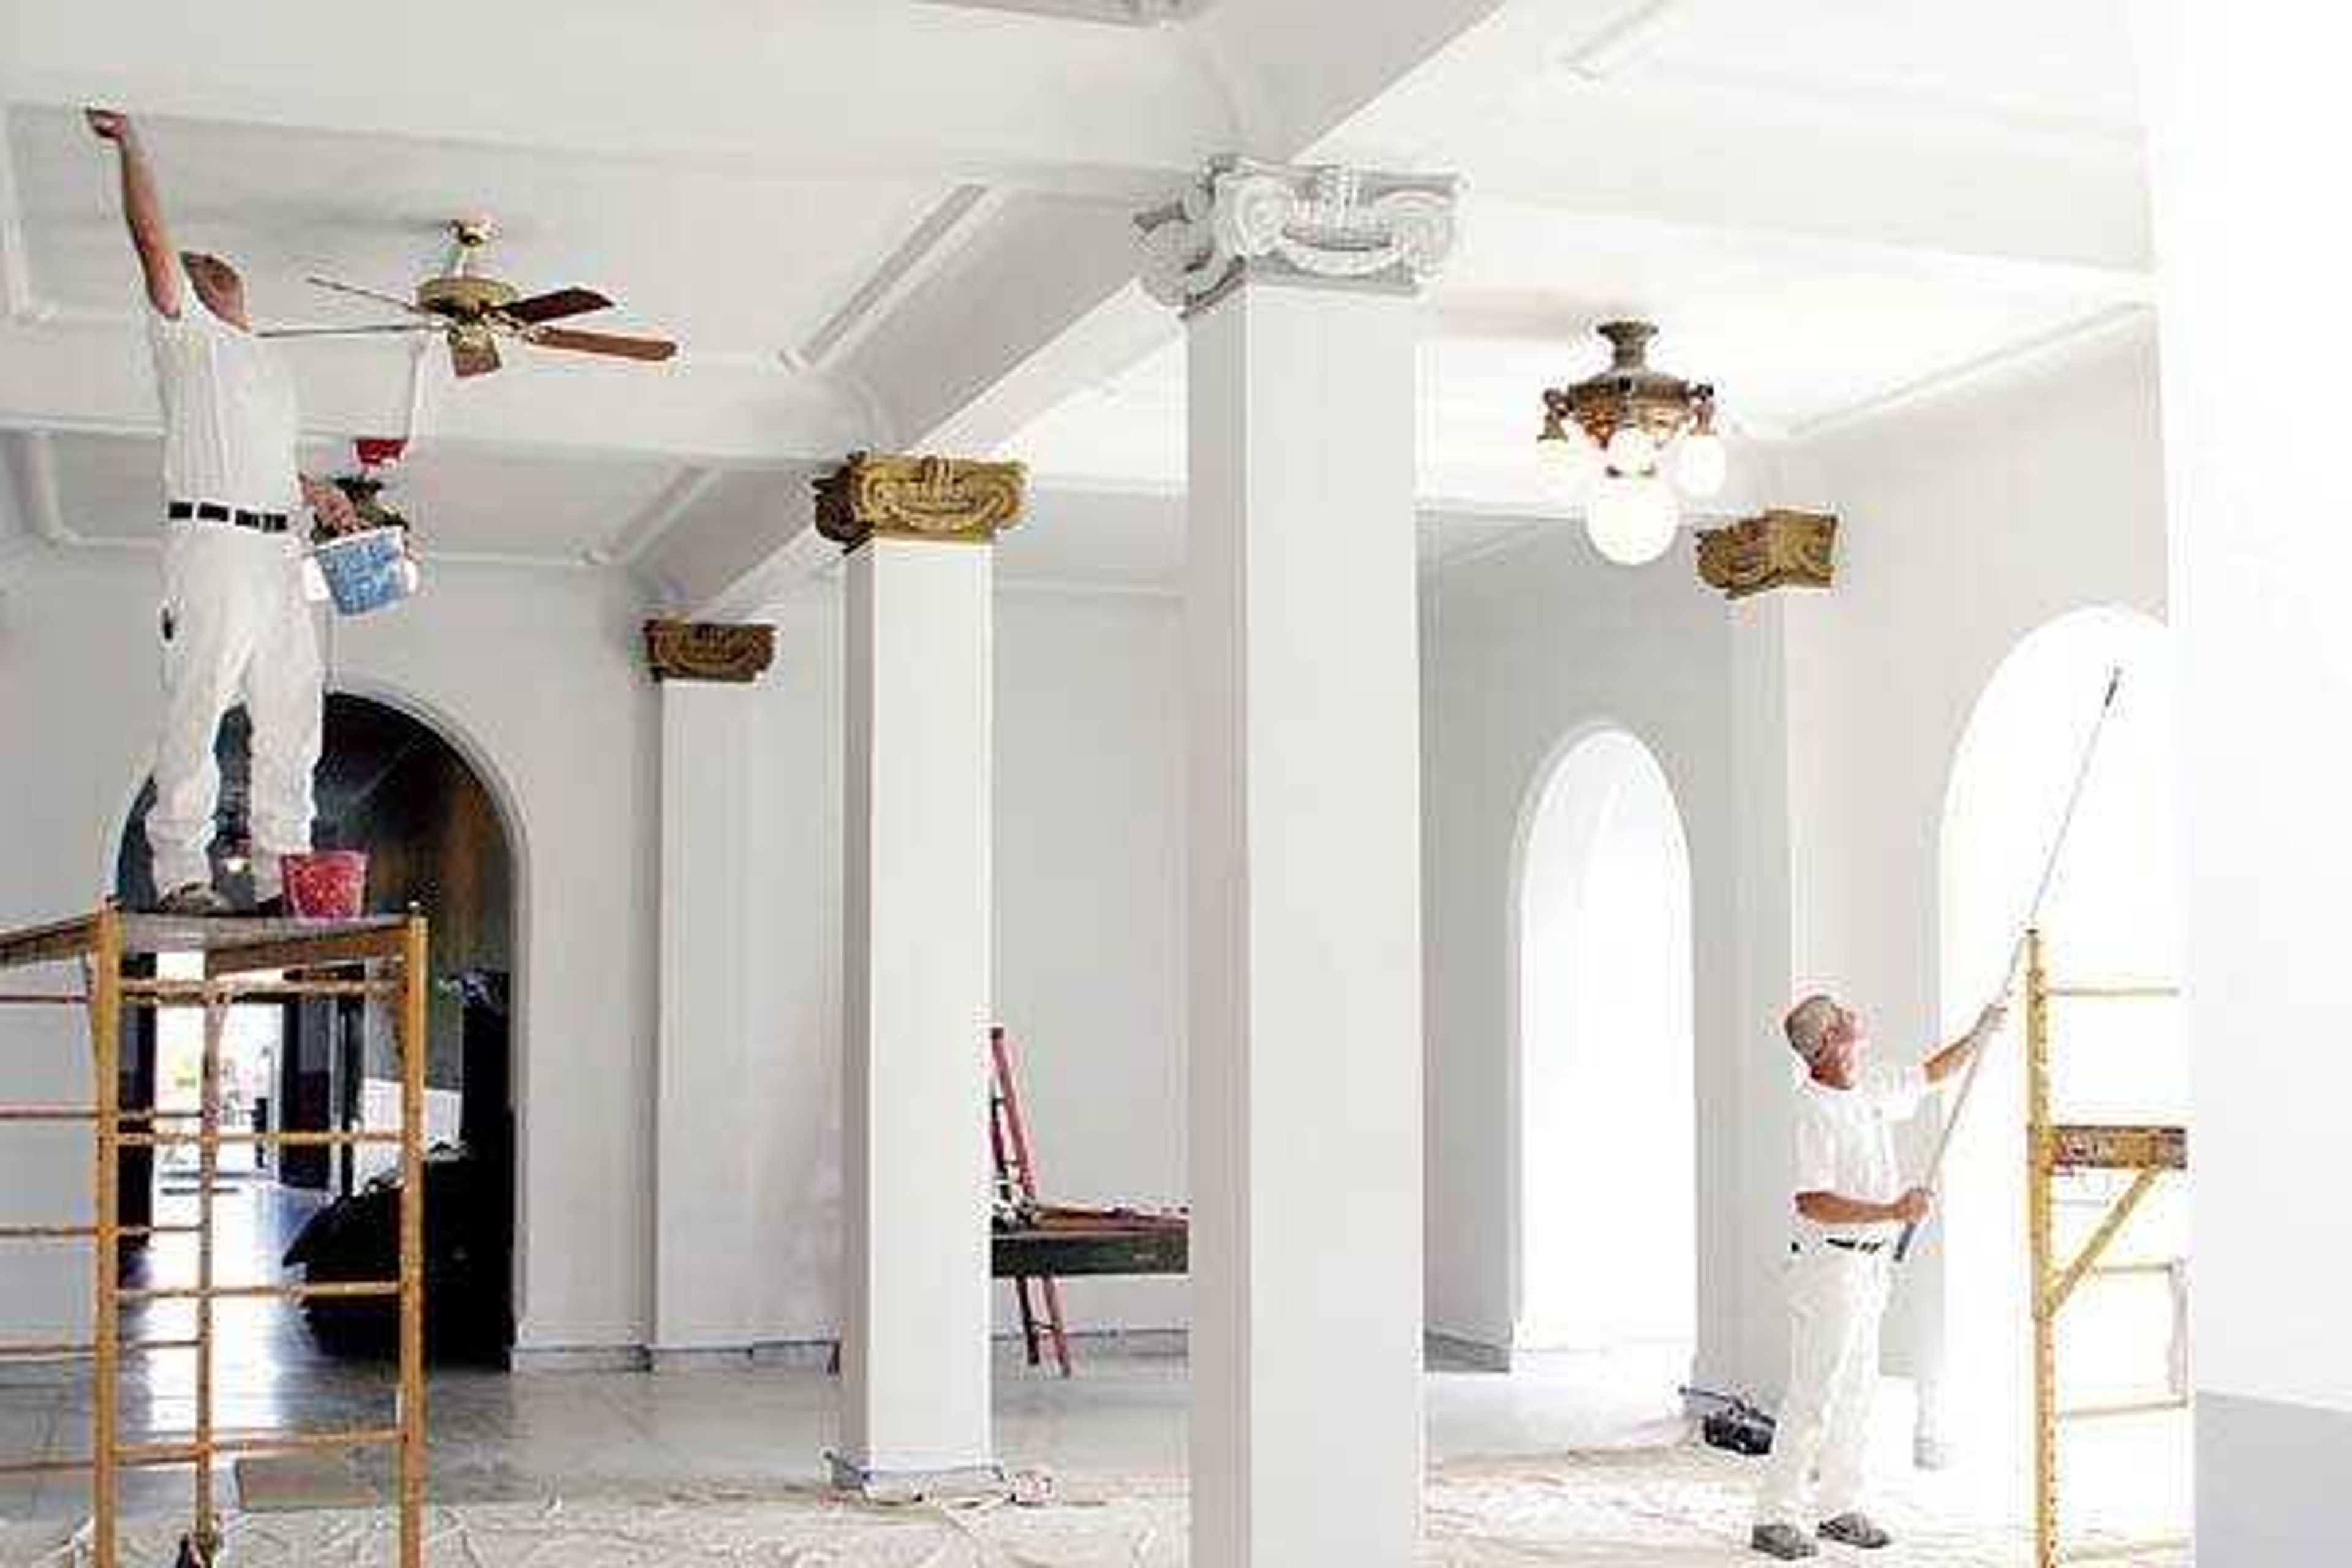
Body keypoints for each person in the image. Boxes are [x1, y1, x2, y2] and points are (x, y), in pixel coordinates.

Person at [86, 108, 358, 916]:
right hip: (212, 542)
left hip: (278, 551)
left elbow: (264, 460)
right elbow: (152, 245)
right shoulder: (188, 339)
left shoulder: (263, 366)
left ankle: (285, 875)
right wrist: (135, 150)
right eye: (204, 273)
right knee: (200, 701)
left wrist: (314, 491)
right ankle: (180, 873)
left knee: (292, 713)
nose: (216, 275)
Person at [1750, 991, 2005, 1559]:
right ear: (1828, 1045)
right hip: (1830, 1265)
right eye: (1843, 1017)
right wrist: (1893, 1211)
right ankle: (1774, 1516)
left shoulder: (1868, 1086)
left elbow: (1931, 1074)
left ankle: (1838, 1507)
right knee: (1816, 1389)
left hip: (1870, 1263)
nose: (1854, 1017)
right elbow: (1813, 1201)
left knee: (1859, 1388)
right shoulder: (1811, 1109)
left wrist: (1981, 1031)